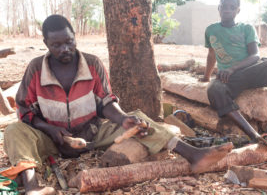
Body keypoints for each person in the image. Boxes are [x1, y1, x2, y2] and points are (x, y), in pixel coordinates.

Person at [2, 15, 233, 195]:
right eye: (56, 45)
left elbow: (106, 103)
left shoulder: (92, 64)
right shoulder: (35, 68)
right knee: (14, 130)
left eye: (69, 41)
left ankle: (193, 155)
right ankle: (32, 186)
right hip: (52, 140)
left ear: (75, 37)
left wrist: (123, 119)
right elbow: (24, 110)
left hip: (92, 133)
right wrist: (50, 129)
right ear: (46, 44)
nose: (65, 49)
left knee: (138, 119)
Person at [201, 0, 267, 150]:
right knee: (214, 89)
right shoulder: (211, 30)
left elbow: (255, 55)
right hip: (228, 78)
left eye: (231, 7)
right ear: (219, 8)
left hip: (250, 70)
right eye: (223, 6)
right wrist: (206, 76)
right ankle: (254, 135)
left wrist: (232, 68)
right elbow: (211, 55)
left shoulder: (246, 28)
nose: (227, 10)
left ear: (238, 10)